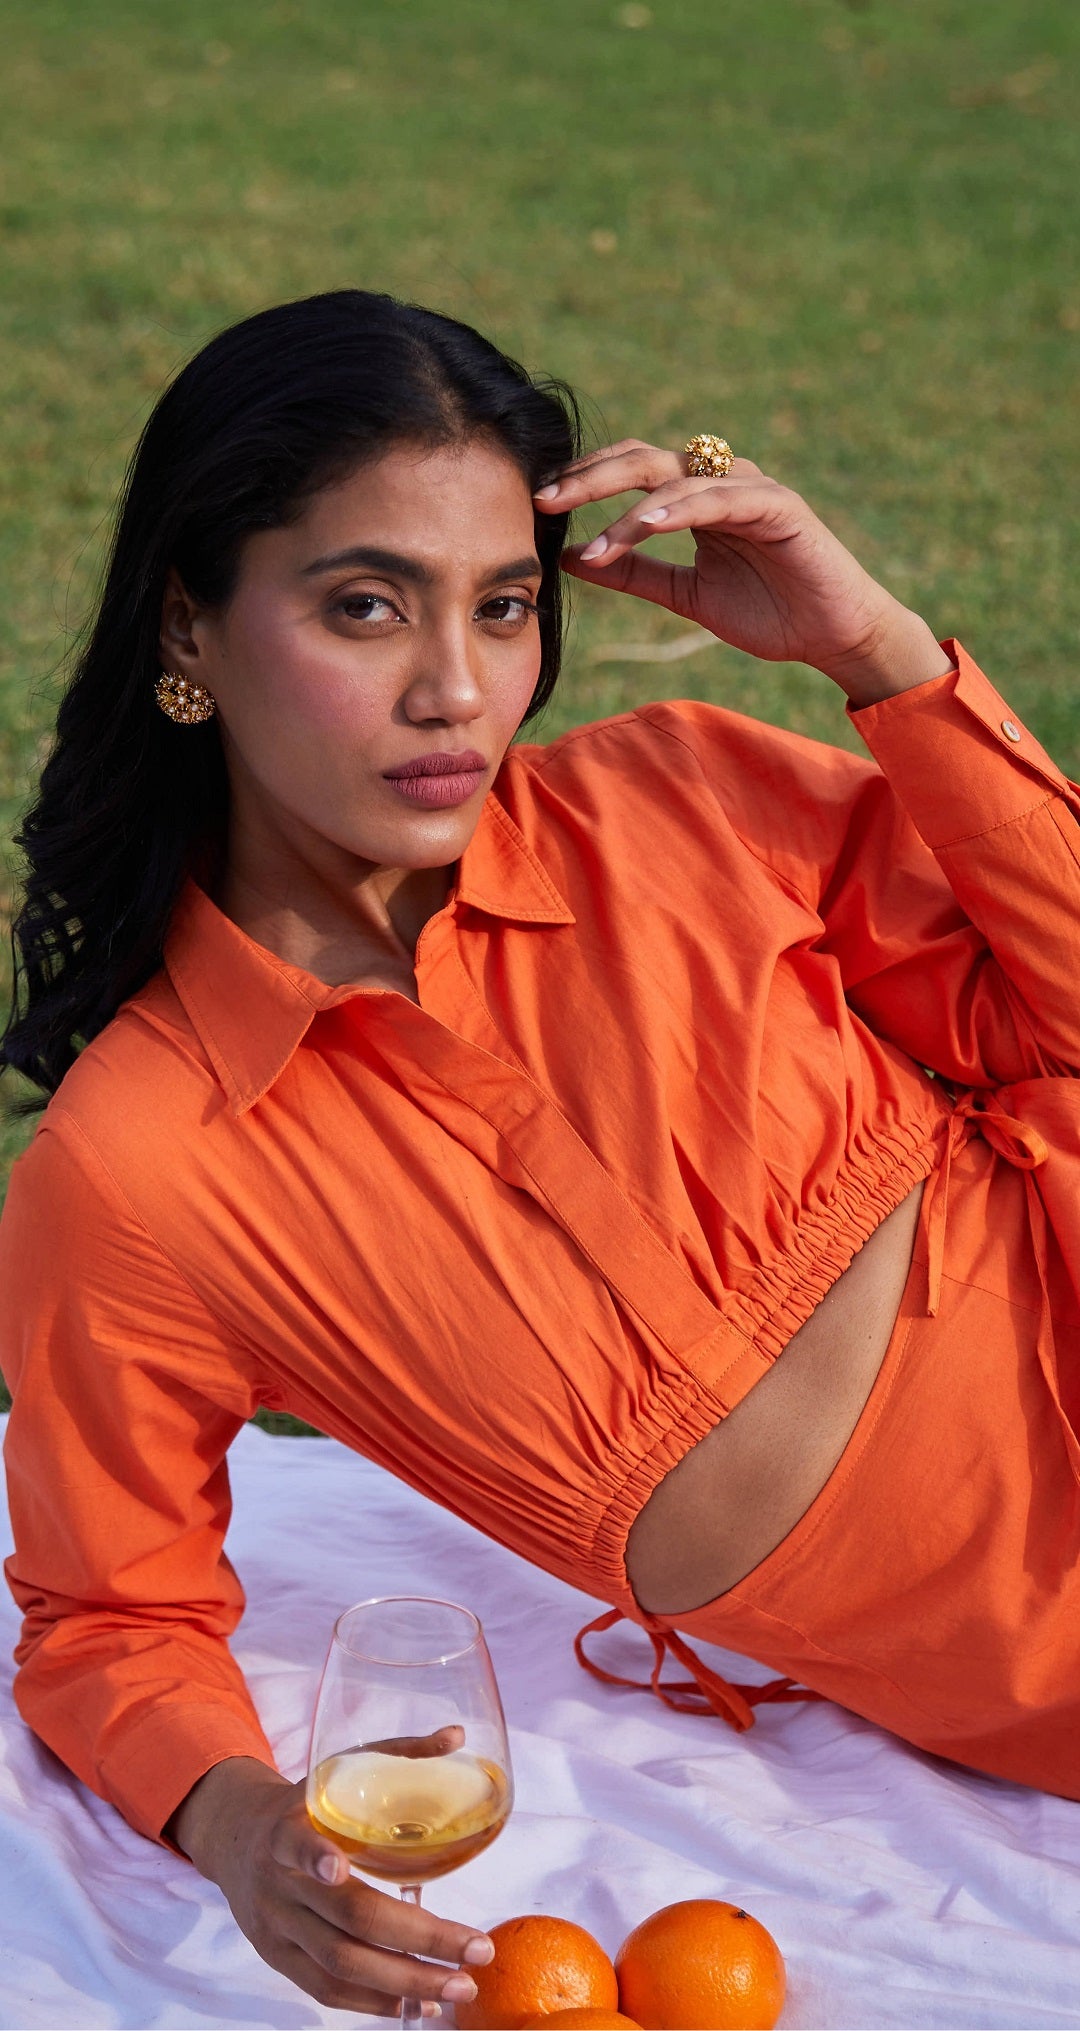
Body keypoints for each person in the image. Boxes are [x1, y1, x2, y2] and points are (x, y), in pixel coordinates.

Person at [2, 288, 1078, 2021]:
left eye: (503, 607)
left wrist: (876, 650)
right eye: (366, 606)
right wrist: (240, 1822)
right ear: (187, 625)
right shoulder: (136, 1170)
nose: (456, 690)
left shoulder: (677, 794)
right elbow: (107, 1615)